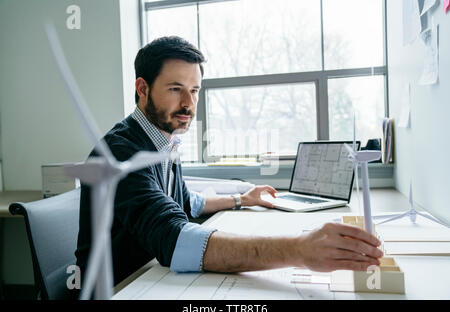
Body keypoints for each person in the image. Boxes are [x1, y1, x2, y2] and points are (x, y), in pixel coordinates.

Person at [75, 36, 383, 287]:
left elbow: (185, 202)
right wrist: (299, 250)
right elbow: (173, 239)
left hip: (149, 274)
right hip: (118, 287)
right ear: (143, 89)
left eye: (194, 91)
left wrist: (241, 199)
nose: (188, 104)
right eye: (175, 89)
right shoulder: (121, 153)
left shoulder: (164, 139)